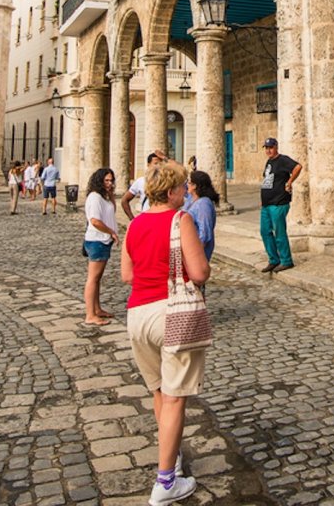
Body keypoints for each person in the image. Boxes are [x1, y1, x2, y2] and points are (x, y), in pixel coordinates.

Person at [121, 160, 210, 504]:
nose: (186, 192)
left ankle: (170, 457)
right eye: (182, 187)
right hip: (170, 313)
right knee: (175, 398)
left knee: (159, 392)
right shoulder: (180, 219)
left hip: (137, 315)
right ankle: (166, 483)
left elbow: (127, 275)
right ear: (172, 191)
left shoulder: (135, 224)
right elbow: (199, 272)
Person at [83, 168, 120, 325]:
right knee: (93, 278)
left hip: (104, 240)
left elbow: (111, 211)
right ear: (99, 181)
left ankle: (97, 309)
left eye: (111, 180)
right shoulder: (95, 197)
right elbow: (95, 221)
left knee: (97, 278)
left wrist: (111, 196)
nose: (109, 183)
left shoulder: (103, 197)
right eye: (106, 180)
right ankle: (90, 314)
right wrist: (111, 232)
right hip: (97, 240)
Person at [259, 137, 301, 273]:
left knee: (279, 232)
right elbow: (268, 180)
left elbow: (297, 167)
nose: (268, 150)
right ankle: (273, 260)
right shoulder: (269, 162)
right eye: (266, 148)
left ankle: (286, 260)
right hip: (267, 204)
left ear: (276, 147)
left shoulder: (283, 160)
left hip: (278, 202)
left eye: (271, 147)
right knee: (265, 231)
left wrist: (289, 182)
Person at [185, 170, 219, 262]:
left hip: (197, 252)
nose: (187, 185)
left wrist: (195, 254)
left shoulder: (204, 204)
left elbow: (205, 233)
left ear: (194, 186)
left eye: (189, 183)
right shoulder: (191, 199)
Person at [122, 151, 166, 219]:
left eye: (160, 164)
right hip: (146, 217)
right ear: (148, 165)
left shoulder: (166, 182)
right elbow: (124, 200)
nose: (158, 166)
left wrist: (165, 158)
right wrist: (132, 218)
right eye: (156, 163)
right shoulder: (141, 181)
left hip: (162, 218)